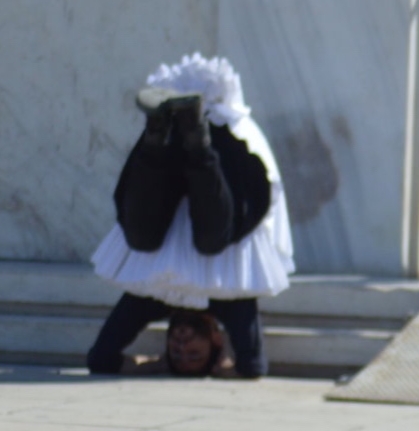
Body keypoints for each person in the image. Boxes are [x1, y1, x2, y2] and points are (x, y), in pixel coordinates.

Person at [85, 55, 294, 377]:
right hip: (228, 172)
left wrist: (154, 366)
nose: (181, 343)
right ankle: (197, 137)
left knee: (143, 237)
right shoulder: (231, 300)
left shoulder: (154, 294)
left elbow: (100, 359)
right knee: (213, 239)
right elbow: (253, 366)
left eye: (176, 351)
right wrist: (223, 367)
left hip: (170, 205)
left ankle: (159, 132)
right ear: (215, 339)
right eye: (194, 353)